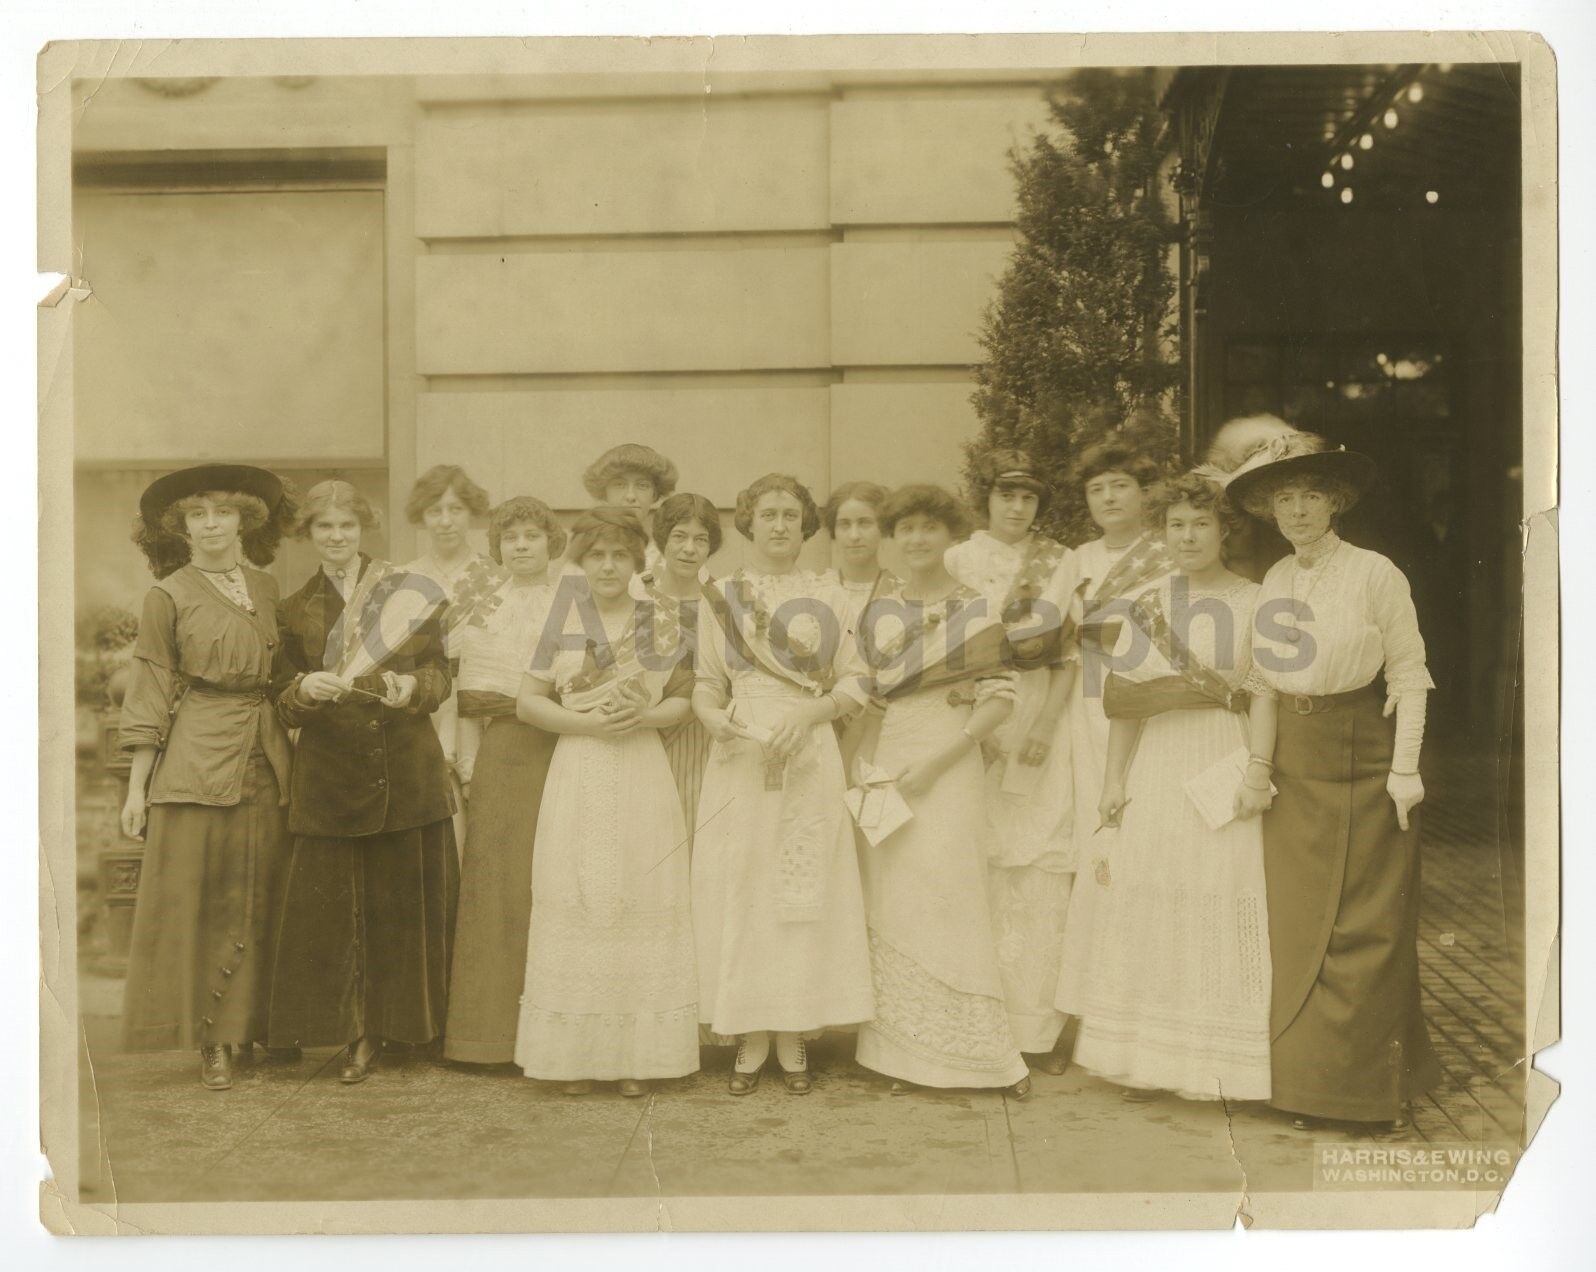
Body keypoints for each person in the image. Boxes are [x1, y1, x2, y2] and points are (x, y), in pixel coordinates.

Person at [1224, 418, 1440, 1133]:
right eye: (1284, 498)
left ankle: (1364, 1094)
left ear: (1337, 502)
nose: (1297, 510)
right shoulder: (1276, 579)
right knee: (1298, 925)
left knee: (1366, 923)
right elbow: (1265, 684)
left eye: (1312, 495)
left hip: (1367, 757)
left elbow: (1409, 673)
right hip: (1297, 761)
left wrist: (1405, 768)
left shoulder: (1377, 573)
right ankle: (1303, 1087)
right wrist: (1259, 765)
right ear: (1269, 511)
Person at [1057, 472, 1273, 1103]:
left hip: (1223, 757)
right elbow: (1124, 702)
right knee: (1153, 894)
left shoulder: (1256, 600)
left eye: (1200, 524)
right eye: (1176, 524)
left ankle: (1218, 1063)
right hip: (1158, 762)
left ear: (1225, 530)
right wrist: (1113, 782)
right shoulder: (1146, 600)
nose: (1187, 536)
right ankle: (1148, 1056)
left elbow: (1264, 692)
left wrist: (1258, 767)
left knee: (1219, 891)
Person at [268, 480, 458, 1084]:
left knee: (400, 905)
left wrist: (414, 688)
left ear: (363, 529)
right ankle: (354, 1032)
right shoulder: (294, 608)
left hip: (403, 766)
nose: (336, 537)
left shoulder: (406, 592)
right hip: (333, 776)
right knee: (342, 912)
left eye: (346, 526)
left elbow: (441, 671)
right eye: (324, 527)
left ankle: (405, 1030)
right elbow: (279, 695)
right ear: (309, 535)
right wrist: (302, 690)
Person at [691, 473, 875, 1094]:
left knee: (801, 888)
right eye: (766, 514)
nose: (778, 526)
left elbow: (857, 681)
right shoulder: (721, 596)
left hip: (808, 750)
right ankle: (748, 1033)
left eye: (790, 516)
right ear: (747, 522)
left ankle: (795, 1032)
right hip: (743, 751)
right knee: (745, 884)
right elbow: (707, 682)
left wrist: (810, 712)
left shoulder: (831, 596)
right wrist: (712, 717)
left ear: (805, 527)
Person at [117, 465, 296, 1090]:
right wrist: (138, 788)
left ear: (245, 520)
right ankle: (211, 1040)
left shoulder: (269, 588)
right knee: (206, 897)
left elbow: (279, 678)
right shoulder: (167, 595)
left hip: (266, 752)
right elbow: (150, 687)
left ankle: (254, 1024)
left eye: (223, 512)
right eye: (198, 515)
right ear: (182, 527)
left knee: (263, 889)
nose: (212, 524)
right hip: (197, 754)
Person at [850, 485, 1031, 1096]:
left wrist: (939, 762)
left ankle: (976, 1054)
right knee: (894, 898)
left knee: (951, 895)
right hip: (889, 761)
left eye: (929, 528)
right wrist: (862, 764)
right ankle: (900, 1053)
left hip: (948, 763)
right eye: (905, 530)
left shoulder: (975, 609)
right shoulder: (878, 611)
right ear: (893, 538)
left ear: (949, 536)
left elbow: (999, 698)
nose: (918, 540)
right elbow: (872, 700)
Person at [513, 508, 699, 1098]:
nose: (609, 565)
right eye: (597, 555)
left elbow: (685, 701)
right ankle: (572, 1059)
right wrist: (584, 724)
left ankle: (637, 1059)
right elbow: (526, 702)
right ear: (581, 562)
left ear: (638, 560)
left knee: (639, 894)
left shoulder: (661, 621)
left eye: (620, 554)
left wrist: (645, 715)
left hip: (642, 768)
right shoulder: (563, 619)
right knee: (582, 895)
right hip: (581, 764)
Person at [944, 449, 1078, 1074]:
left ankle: (1034, 1026)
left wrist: (1047, 726)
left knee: (1038, 862)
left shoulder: (1060, 561)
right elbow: (943, 647)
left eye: (1029, 497)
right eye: (1006, 495)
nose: (1017, 507)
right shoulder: (958, 558)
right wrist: (975, 722)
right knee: (979, 857)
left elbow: (1067, 655)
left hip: (1038, 713)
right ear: (987, 499)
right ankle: (976, 1016)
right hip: (971, 713)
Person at [1055, 435, 1174, 1021]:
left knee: (1146, 840)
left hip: (1152, 704)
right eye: (1096, 489)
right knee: (1093, 841)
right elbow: (1048, 639)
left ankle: (1146, 1000)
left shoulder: (1169, 553)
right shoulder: (1072, 560)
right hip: (1085, 706)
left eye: (1119, 485)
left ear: (1144, 493)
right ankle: (1091, 1007)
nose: (1107, 497)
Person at [442, 496, 564, 1066]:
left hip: (564, 747)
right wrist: (469, 767)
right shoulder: (482, 606)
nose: (521, 546)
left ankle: (555, 1031)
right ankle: (489, 1037)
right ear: (497, 547)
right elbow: (469, 698)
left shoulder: (573, 600)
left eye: (532, 536)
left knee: (555, 884)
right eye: (510, 537)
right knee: (498, 887)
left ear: (550, 542)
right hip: (503, 752)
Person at [403, 464, 509, 860]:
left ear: (471, 513)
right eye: (435, 511)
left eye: (456, 510)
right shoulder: (404, 577)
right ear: (422, 516)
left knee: (482, 809)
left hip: (479, 704)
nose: (445, 521)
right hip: (426, 705)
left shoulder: (497, 576)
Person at [643, 491, 720, 855]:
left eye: (700, 539)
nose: (689, 548)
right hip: (646, 736)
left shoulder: (721, 602)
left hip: (704, 740)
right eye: (679, 536)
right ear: (662, 540)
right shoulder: (638, 598)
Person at [580, 441, 680, 590]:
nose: (631, 496)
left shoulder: (672, 554)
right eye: (619, 485)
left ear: (654, 494)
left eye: (642, 485)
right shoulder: (584, 551)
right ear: (604, 493)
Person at [821, 481, 893, 640]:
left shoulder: (902, 594)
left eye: (864, 523)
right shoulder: (815, 592)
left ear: (882, 527)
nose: (854, 535)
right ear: (834, 531)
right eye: (844, 525)